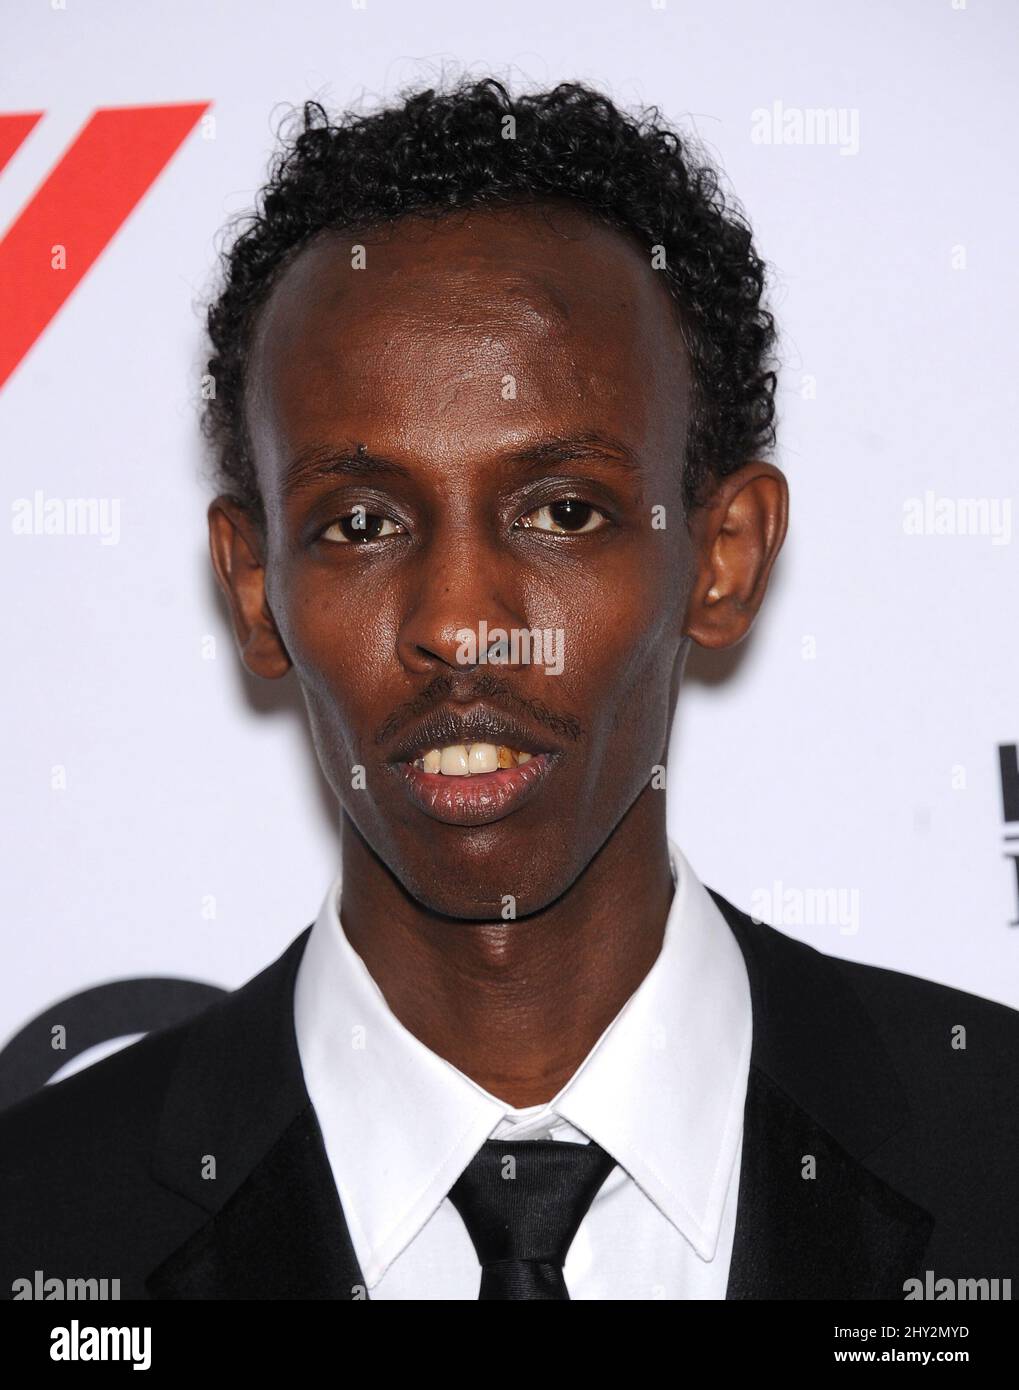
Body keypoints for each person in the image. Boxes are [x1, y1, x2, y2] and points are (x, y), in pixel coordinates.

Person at [2, 78, 1017, 1302]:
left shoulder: (993, 1157)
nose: (460, 624)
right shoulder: (38, 1224)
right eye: (361, 521)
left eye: (562, 511)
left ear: (723, 557)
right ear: (255, 588)